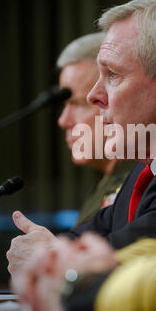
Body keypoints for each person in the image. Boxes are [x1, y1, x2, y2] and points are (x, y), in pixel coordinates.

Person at [7, 0, 156, 278]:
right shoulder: (150, 166)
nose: (94, 95)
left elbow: (136, 261)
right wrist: (50, 250)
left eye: (113, 75)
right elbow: (94, 236)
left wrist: (54, 259)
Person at [56, 33, 134, 224]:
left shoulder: (138, 184)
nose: (63, 121)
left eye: (79, 104)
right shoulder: (108, 182)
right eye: (65, 105)